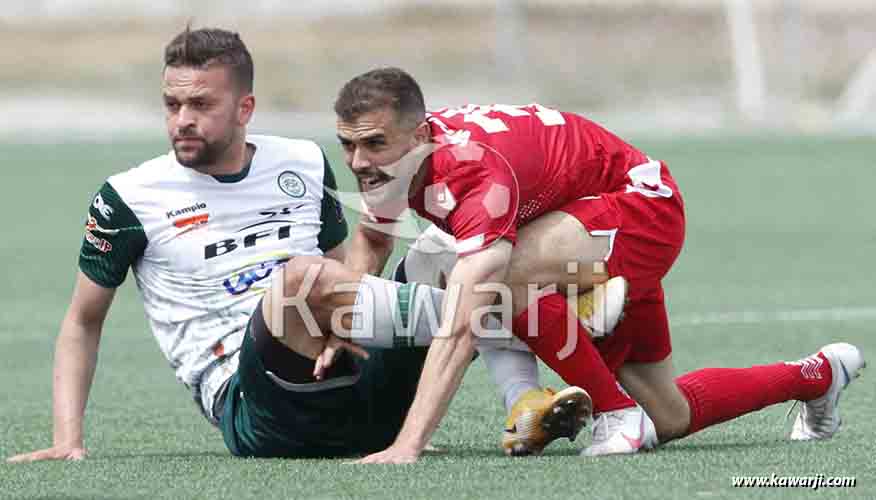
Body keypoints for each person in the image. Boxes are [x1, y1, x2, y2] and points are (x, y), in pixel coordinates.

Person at [5, 27, 592, 463]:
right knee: (299, 280)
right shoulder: (129, 196)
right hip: (259, 409)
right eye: (172, 104)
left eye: (200, 104)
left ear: (244, 108)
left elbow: (352, 277)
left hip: (359, 384)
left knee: (447, 248)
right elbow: (82, 321)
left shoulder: (303, 162)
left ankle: (528, 393)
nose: (182, 119)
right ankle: (535, 318)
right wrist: (67, 439)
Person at [331, 67, 867, 462]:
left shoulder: (471, 174)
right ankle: (816, 375)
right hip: (586, 226)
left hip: (639, 211)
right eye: (348, 146)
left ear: (420, 135)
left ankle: (612, 403)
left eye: (373, 144)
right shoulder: (391, 163)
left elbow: (460, 329)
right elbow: (373, 240)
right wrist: (343, 322)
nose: (358, 162)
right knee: (671, 415)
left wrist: (408, 443)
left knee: (495, 278)